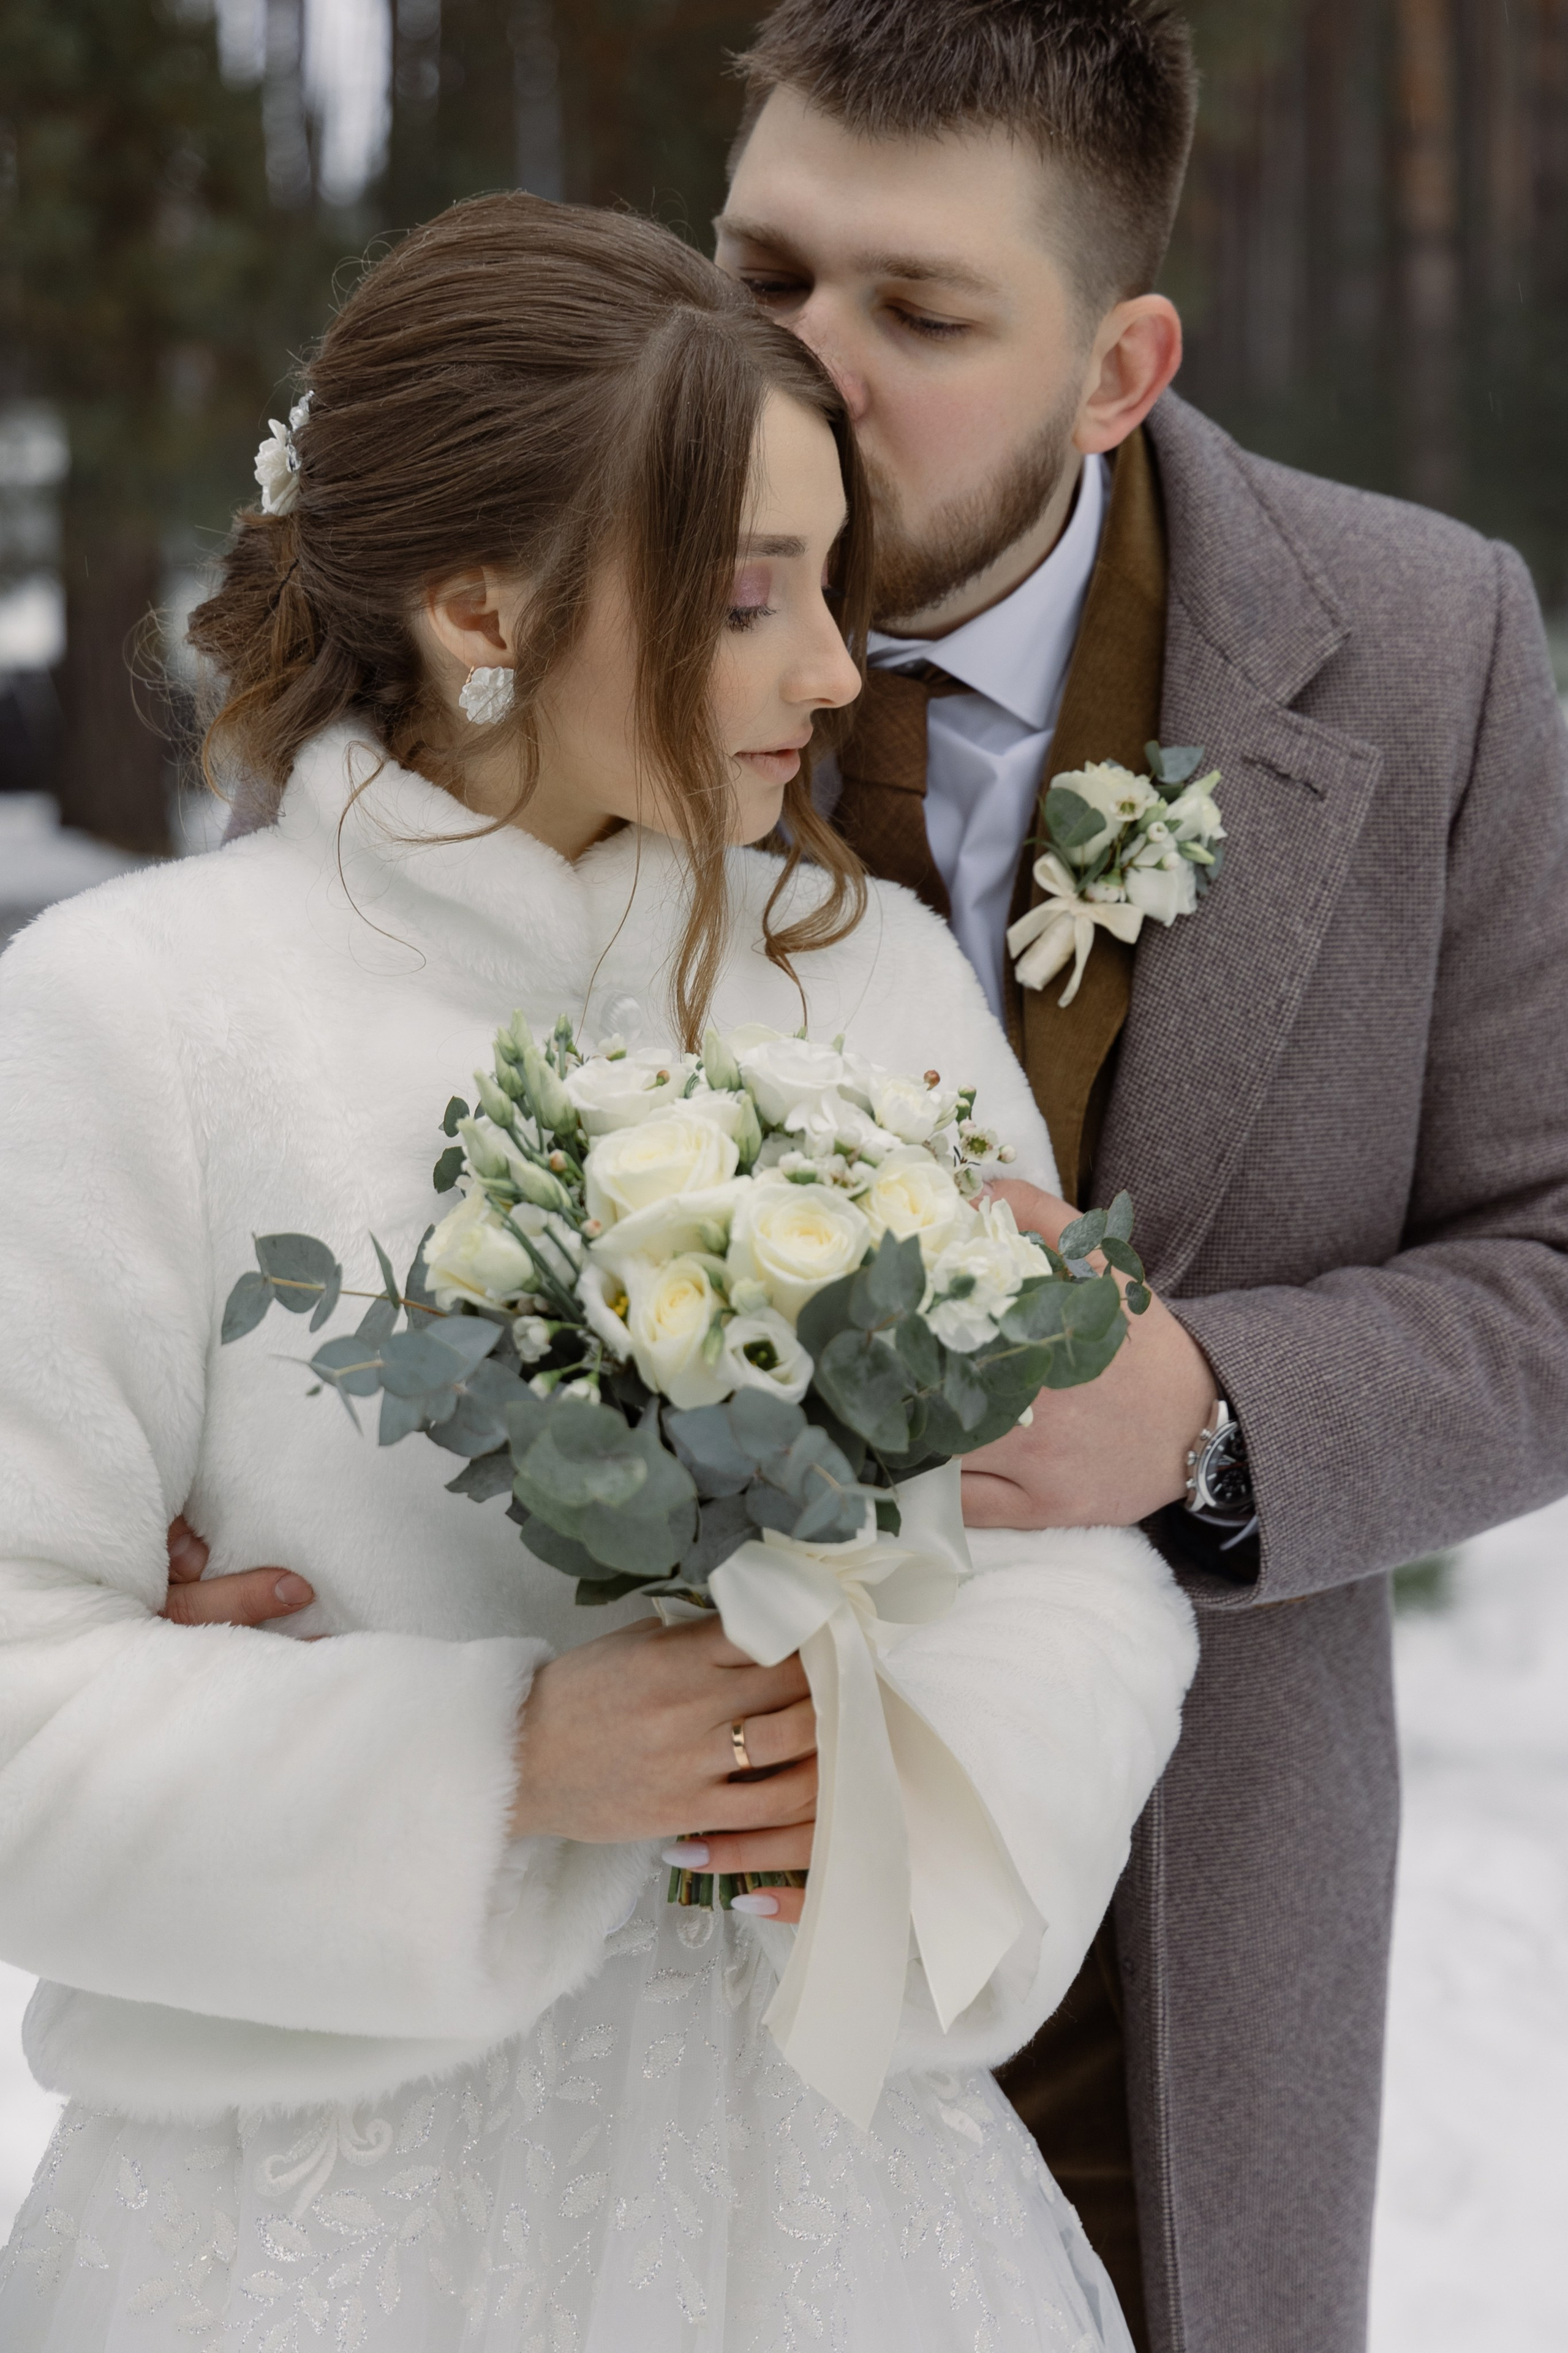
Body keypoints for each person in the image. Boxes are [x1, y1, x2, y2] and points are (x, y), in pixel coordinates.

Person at [0, 194, 1199, 2351]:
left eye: (834, 587)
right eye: (754, 599)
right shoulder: (130, 1023)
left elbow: (1066, 1553)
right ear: (482, 606)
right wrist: (503, 1757)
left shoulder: (887, 993)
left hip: (833, 2205)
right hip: (290, 2237)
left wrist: (912, 1786)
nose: (837, 672)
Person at [693, 6, 1568, 2352]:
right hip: (619, 1960)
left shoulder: (1427, 648)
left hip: (1173, 1962)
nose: (798, 365)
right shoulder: (503, 607)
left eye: (921, 311)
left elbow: (1554, 1262)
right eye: (760, 270)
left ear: (1119, 364)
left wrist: (1203, 1416)